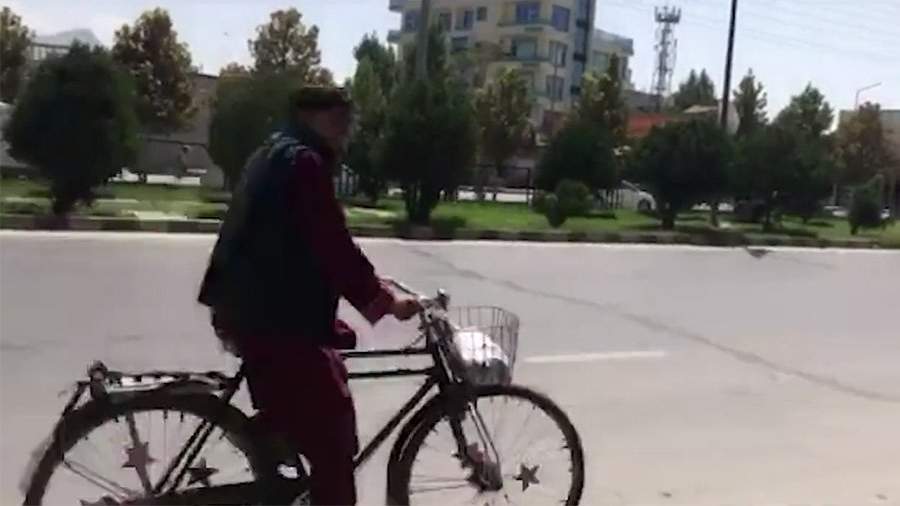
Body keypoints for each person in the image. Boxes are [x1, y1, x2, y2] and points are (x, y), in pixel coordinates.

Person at [197, 86, 419, 505]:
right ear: (311, 117)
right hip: (271, 317)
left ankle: (274, 448)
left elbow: (297, 245)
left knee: (327, 361)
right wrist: (385, 301)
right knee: (334, 442)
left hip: (250, 305)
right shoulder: (303, 163)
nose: (345, 131)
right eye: (339, 120)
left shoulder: (274, 151)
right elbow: (332, 245)